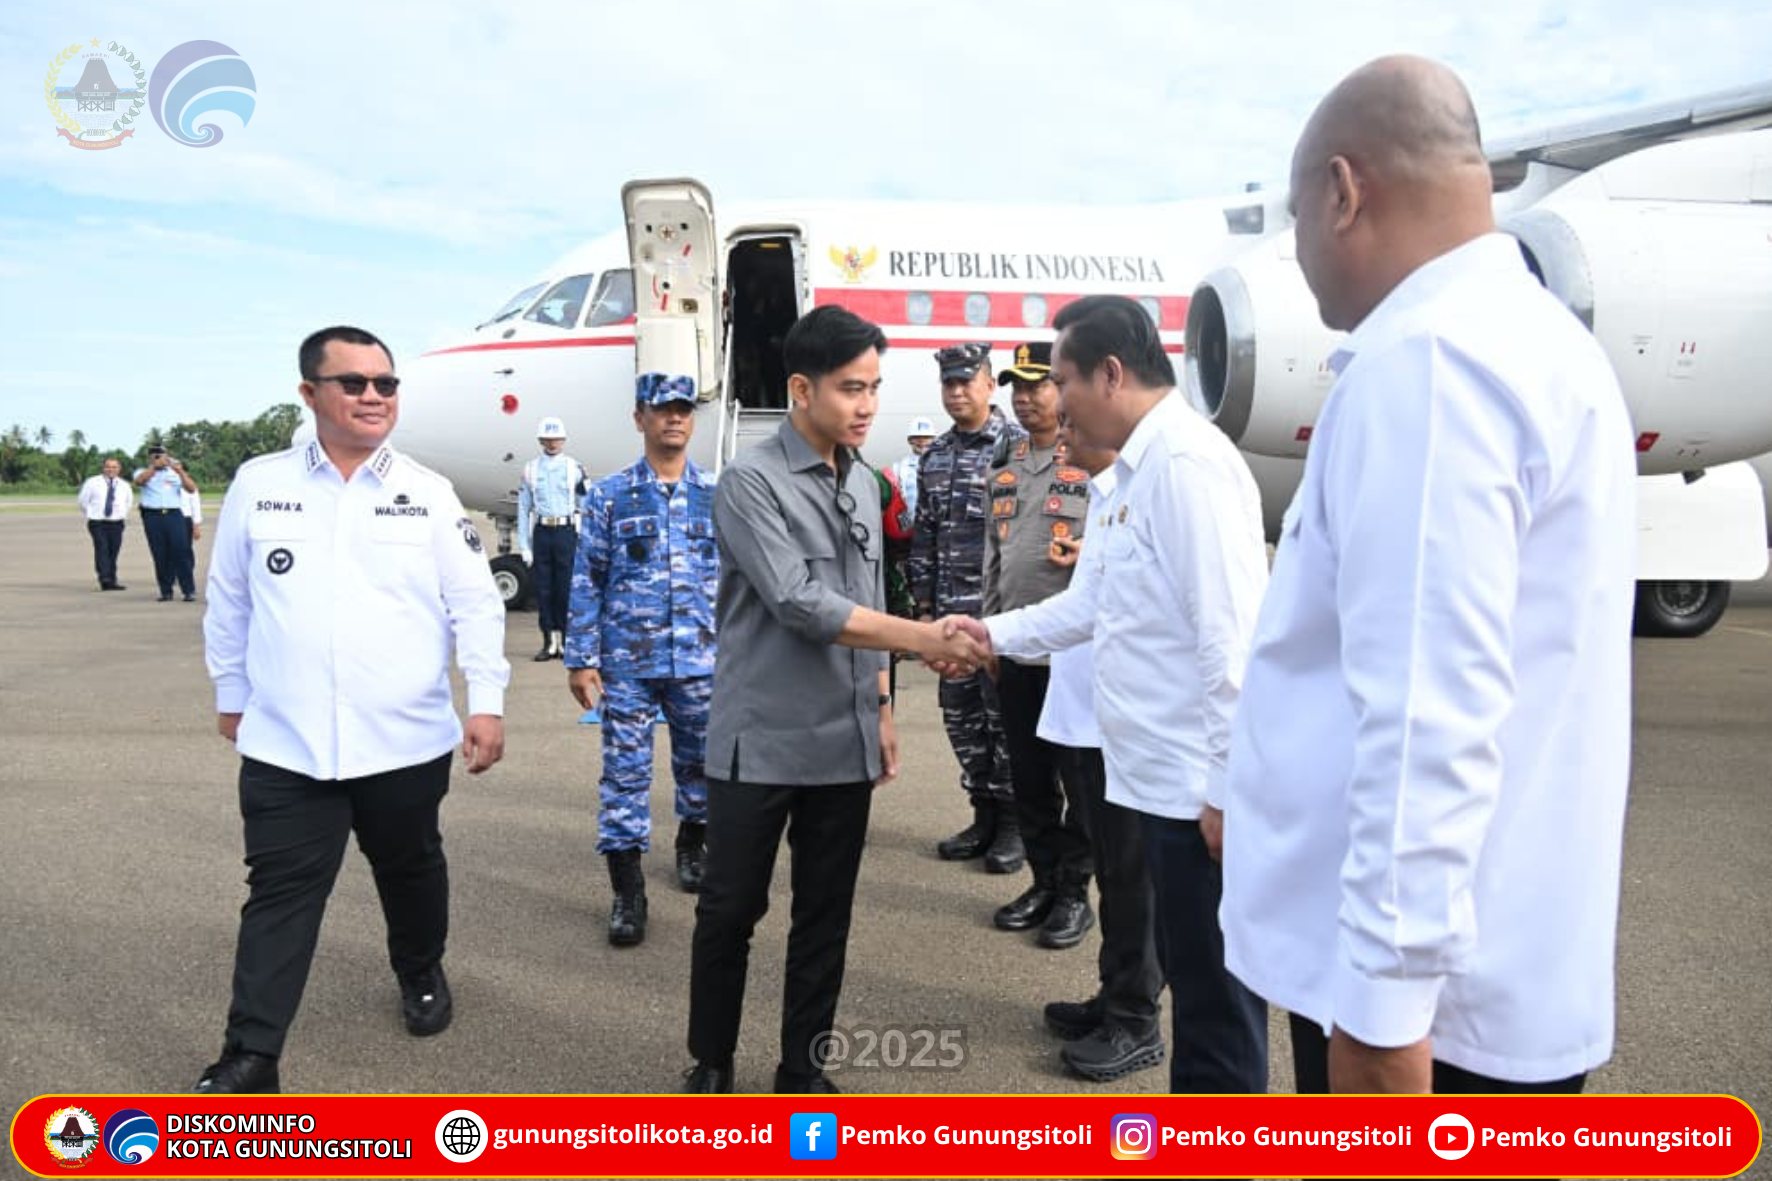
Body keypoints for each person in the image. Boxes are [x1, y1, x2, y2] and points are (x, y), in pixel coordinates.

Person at [1218, 56, 1637, 1102]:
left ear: (1342, 191)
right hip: (1487, 977)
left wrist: (1379, 1011)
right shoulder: (1536, 340)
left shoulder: (1429, 363)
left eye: (1295, 217)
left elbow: (1424, 715)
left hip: (1420, 1026)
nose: (1296, 251)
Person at [947, 294, 1270, 1093]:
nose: (1054, 400)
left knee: (1215, 1006)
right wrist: (988, 634)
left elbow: (1231, 642)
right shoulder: (1129, 474)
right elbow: (1088, 607)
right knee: (1184, 968)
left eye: (1062, 380)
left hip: (1195, 790)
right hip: (1149, 775)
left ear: (1112, 374)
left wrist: (1229, 789)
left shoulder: (1186, 467)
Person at [195, 325, 510, 1095]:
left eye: (386, 383)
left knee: (410, 868)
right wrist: (231, 693)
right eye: (354, 383)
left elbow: (475, 603)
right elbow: (229, 600)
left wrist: (487, 701)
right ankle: (252, 1053)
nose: (374, 396)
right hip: (287, 742)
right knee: (279, 894)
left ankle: (420, 969)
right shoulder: (259, 484)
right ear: (310, 393)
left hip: (403, 741)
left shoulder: (428, 492)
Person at [682, 306, 986, 1095]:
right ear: (800, 388)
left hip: (842, 741)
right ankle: (712, 1060)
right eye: (852, 388)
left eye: (875, 387)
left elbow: (866, 596)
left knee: (824, 917)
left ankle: (801, 1068)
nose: (867, 405)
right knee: (729, 911)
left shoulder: (865, 480)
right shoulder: (750, 482)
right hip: (759, 739)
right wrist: (923, 636)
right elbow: (799, 602)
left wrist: (881, 706)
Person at [1032, 414, 1165, 1082]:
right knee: (1112, 873)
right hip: (1082, 716)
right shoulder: (1105, 498)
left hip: (1122, 725)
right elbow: (1078, 610)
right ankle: (1115, 994)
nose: (1060, 435)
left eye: (1069, 420)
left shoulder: (1152, 490)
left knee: (1133, 879)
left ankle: (1136, 1020)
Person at [565, 375, 717, 946]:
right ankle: (627, 890)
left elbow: (736, 581)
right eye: (663, 409)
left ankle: (693, 843)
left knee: (703, 764)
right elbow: (588, 577)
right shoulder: (609, 495)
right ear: (640, 418)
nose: (675, 418)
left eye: (683, 409)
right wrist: (581, 658)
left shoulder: (716, 493)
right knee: (624, 775)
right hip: (627, 663)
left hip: (701, 659)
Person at [981, 341, 1095, 951]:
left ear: (1060, 389)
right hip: (1017, 652)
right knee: (1029, 779)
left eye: (1036, 385)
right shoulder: (1004, 470)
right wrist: (989, 636)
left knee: (1079, 783)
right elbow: (992, 563)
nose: (1025, 399)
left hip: (1071, 656)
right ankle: (1044, 882)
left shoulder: (1092, 464)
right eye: (1017, 388)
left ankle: (1075, 891)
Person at [908, 342, 1024, 872]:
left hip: (999, 619)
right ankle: (983, 816)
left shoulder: (1018, 449)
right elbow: (925, 537)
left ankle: (1014, 825)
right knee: (962, 721)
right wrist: (924, 613)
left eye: (965, 382)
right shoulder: (935, 456)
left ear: (989, 384)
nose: (956, 392)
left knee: (1005, 724)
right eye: (948, 384)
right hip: (950, 620)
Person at [517, 416, 588, 661]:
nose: (552, 443)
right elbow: (523, 509)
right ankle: (549, 642)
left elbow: (585, 506)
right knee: (543, 589)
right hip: (542, 532)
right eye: (547, 439)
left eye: (556, 438)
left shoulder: (574, 468)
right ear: (541, 440)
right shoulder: (530, 469)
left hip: (566, 532)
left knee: (565, 589)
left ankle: (566, 641)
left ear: (563, 439)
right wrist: (524, 546)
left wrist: (585, 541)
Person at [133, 445, 197, 601]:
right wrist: (153, 467)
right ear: (149, 458)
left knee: (181, 551)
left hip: (174, 515)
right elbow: (139, 482)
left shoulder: (174, 472)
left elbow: (191, 488)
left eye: (161, 455)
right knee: (159, 553)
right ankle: (166, 591)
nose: (159, 458)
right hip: (152, 516)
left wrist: (180, 471)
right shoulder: (142, 471)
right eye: (155, 456)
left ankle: (188, 590)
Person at [76, 457, 131, 590]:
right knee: (102, 548)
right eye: (108, 467)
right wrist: (92, 514)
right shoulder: (92, 482)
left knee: (113, 551)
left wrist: (121, 514)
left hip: (116, 523)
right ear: (103, 468)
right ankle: (104, 578)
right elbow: (83, 501)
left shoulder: (124, 485)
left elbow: (128, 502)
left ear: (119, 469)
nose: (111, 469)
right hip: (98, 522)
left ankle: (112, 580)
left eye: (114, 467)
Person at [891, 415, 939, 525]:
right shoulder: (898, 468)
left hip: (937, 528)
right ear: (910, 440)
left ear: (934, 440)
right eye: (917, 437)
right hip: (910, 528)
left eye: (926, 437)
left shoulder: (943, 465)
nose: (921, 441)